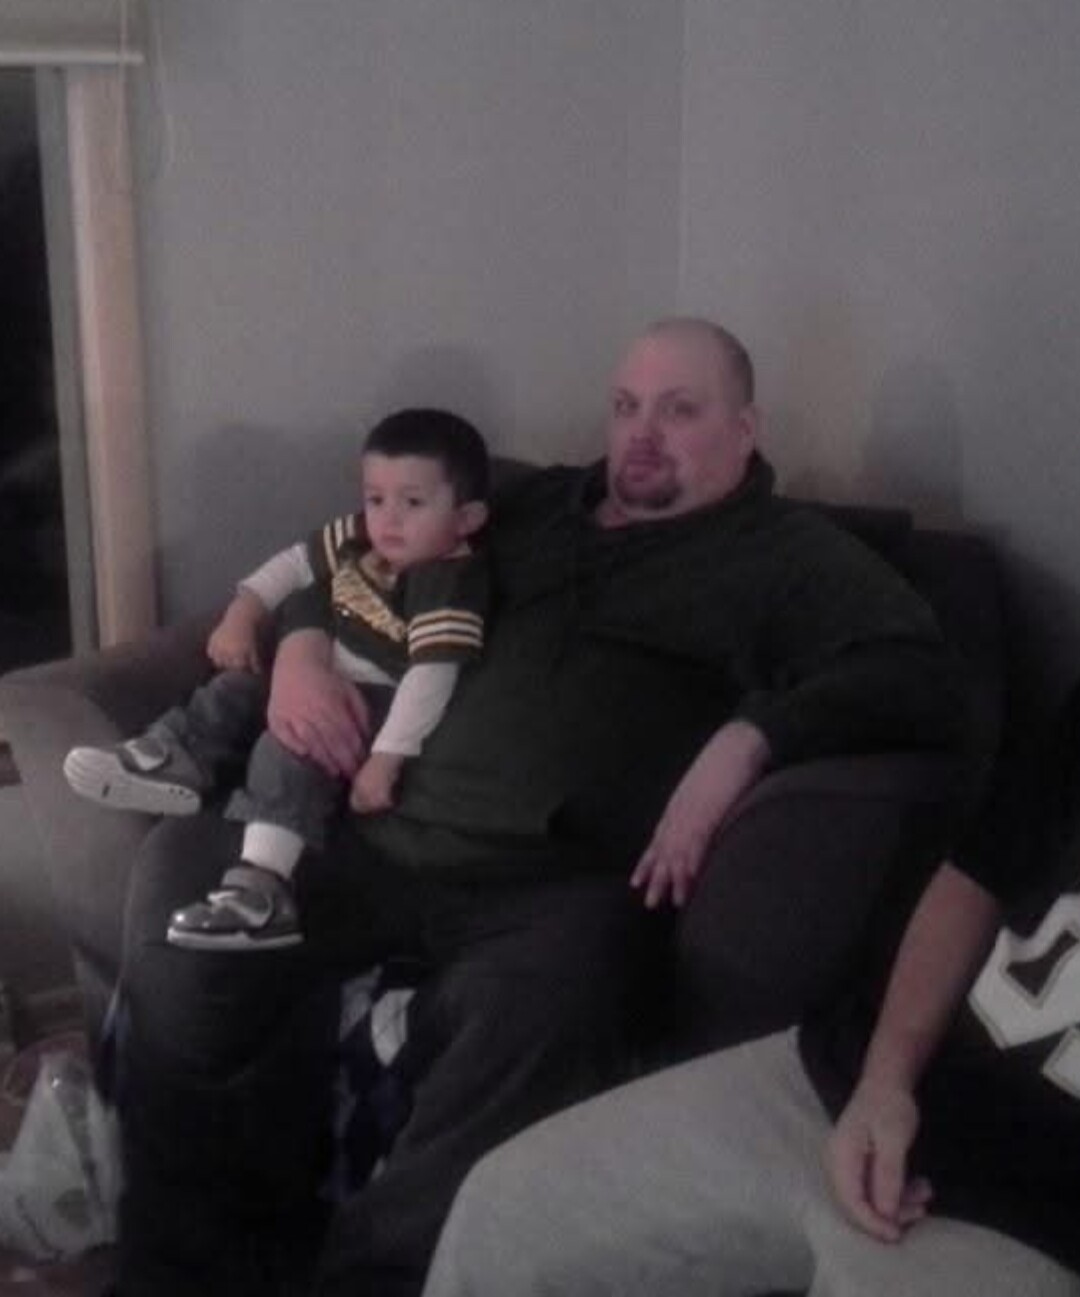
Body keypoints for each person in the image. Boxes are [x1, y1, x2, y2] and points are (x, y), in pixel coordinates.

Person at [110, 317, 965, 1297]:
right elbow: (352, 565)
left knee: (559, 999)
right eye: (627, 406)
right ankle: (187, 1270)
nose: (643, 433)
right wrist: (302, 651)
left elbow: (926, 678)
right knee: (183, 880)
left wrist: (750, 737)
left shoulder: (789, 558)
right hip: (370, 832)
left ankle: (376, 1278)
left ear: (745, 427)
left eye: (680, 411)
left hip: (552, 891)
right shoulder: (523, 503)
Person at [421, 682, 1080, 1297]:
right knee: (500, 1210)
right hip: (848, 1085)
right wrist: (886, 1080)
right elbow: (976, 875)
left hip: (1035, 1224)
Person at [64, 407, 490, 949]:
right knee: (235, 686)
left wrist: (387, 760)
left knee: (287, 748)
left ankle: (261, 890)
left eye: (412, 503)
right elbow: (293, 564)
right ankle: (175, 758)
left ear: (466, 518)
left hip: (375, 705)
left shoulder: (449, 580)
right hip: (327, 670)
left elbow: (432, 677)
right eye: (376, 498)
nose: (389, 520)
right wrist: (242, 614)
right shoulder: (362, 538)